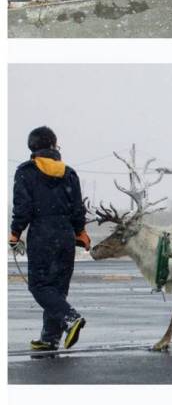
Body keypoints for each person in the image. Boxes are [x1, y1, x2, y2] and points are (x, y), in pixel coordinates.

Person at [9, 126, 91, 352]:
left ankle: (70, 318)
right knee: (57, 287)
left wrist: (15, 233)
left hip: (42, 234)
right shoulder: (69, 172)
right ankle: (49, 338)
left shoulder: (26, 171)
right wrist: (80, 232)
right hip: (65, 234)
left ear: (32, 147)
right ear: (53, 145)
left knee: (39, 286)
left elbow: (22, 207)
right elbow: (78, 208)